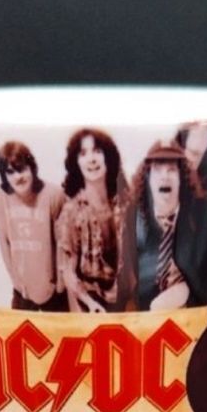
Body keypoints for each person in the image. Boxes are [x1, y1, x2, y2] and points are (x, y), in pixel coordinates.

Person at [122, 142, 207, 310]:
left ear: (182, 178)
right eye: (157, 170)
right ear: (147, 178)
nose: (164, 176)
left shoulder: (200, 215)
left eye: (171, 170)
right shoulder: (134, 216)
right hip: (145, 311)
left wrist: (184, 289)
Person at [0, 141, 66, 311]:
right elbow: (4, 242)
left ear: (32, 167)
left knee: (57, 328)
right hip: (22, 289)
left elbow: (62, 243)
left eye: (21, 169)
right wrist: (15, 280)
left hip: (54, 289)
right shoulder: (0, 197)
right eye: (10, 172)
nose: (18, 177)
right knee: (18, 328)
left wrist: (60, 282)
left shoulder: (53, 194)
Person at [56, 128, 127, 312]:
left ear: (108, 157)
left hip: (124, 299)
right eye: (83, 153)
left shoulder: (125, 204)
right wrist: (88, 303)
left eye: (97, 151)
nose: (91, 159)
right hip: (89, 303)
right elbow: (68, 272)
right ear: (76, 162)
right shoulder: (71, 212)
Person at [175, 122, 207, 210]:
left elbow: (205, 215)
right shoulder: (168, 169)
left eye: (197, 155)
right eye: (191, 151)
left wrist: (197, 186)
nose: (190, 159)